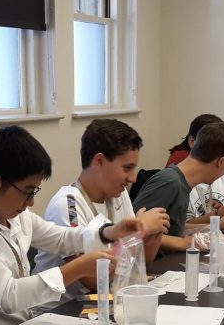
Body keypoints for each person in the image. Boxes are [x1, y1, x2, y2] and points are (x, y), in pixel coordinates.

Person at [0, 126, 143, 325]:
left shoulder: (15, 214)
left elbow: (61, 238)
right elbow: (8, 295)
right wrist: (77, 268)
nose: (31, 202)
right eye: (27, 192)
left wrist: (109, 232)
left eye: (34, 192)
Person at [35, 119, 170, 292]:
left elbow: (139, 263)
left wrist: (154, 233)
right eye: (127, 168)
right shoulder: (68, 205)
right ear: (99, 161)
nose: (133, 178)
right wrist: (140, 231)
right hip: (65, 305)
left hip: (108, 296)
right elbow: (93, 280)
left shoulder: (118, 194)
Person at [132, 121, 224, 253]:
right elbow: (132, 232)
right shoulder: (169, 182)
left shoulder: (184, 183)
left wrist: (211, 228)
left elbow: (174, 229)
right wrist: (184, 243)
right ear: (222, 161)